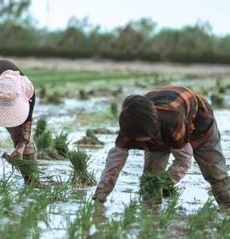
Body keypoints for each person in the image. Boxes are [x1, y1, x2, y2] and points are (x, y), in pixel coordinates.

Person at [93, 86, 230, 207]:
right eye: (139, 138)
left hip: (198, 121)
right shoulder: (129, 127)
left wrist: (164, 182)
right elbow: (113, 164)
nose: (142, 141)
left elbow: (184, 160)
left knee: (215, 172)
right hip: (159, 121)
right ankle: (151, 212)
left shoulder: (172, 121)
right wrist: (101, 193)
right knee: (151, 175)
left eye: (145, 137)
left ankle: (227, 204)